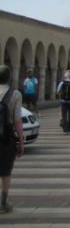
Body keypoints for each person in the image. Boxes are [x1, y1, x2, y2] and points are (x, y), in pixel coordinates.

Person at [0, 65, 24, 213]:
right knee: (5, 171)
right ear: (9, 77)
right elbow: (17, 121)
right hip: (5, 138)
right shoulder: (15, 94)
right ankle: (3, 202)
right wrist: (21, 141)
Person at [56, 70, 70, 134]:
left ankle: (65, 130)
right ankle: (69, 129)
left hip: (63, 101)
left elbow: (57, 91)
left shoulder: (62, 83)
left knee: (64, 115)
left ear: (65, 76)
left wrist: (61, 95)